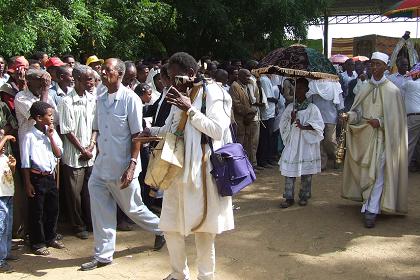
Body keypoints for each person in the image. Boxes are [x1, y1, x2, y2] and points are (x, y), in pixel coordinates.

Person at [146, 51, 234, 280]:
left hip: (203, 172)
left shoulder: (215, 93)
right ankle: (178, 274)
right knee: (170, 226)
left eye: (176, 77)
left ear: (191, 74)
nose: (172, 83)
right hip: (175, 171)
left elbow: (217, 130)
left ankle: (206, 276)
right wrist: (150, 133)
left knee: (204, 229)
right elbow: (171, 129)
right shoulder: (180, 94)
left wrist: (190, 109)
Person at [81, 58, 164, 271]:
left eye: (108, 70)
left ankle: (162, 229)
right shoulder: (100, 97)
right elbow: (97, 129)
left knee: (133, 209)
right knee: (100, 211)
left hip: (122, 167)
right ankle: (103, 255)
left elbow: (137, 135)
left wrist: (132, 166)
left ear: (119, 74)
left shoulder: (130, 100)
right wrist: (92, 147)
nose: (103, 73)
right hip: (101, 166)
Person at [342, 52, 408, 228]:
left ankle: (372, 210)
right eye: (372, 64)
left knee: (378, 174)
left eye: (378, 64)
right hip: (364, 137)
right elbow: (358, 113)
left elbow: (397, 121)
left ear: (386, 67)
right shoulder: (364, 88)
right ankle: (367, 204)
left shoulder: (393, 91)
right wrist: (349, 116)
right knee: (365, 172)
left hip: (382, 139)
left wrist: (380, 122)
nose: (374, 67)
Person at [21, 101, 64, 255]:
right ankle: (37, 242)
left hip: (50, 176)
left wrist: (51, 137)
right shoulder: (29, 136)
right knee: (37, 211)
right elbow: (25, 163)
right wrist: (27, 183)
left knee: (53, 208)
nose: (52, 118)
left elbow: (58, 154)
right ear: (39, 118)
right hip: (36, 178)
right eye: (49, 115)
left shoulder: (51, 132)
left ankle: (50, 236)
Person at [58, 65, 97, 239]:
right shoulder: (66, 101)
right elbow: (67, 130)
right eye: (88, 79)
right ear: (78, 80)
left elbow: (96, 125)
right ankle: (77, 225)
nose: (92, 82)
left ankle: (91, 222)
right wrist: (83, 149)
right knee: (74, 194)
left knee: (91, 192)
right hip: (74, 155)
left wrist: (91, 146)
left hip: (91, 153)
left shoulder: (92, 99)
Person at [279, 78, 324, 208]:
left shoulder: (312, 108)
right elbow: (283, 123)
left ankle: (304, 195)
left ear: (306, 90)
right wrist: (291, 119)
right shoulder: (290, 107)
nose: (297, 91)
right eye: (295, 88)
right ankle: (288, 197)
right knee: (289, 169)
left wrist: (304, 126)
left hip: (306, 142)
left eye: (300, 88)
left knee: (306, 170)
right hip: (293, 140)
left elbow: (319, 126)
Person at [307, 80, 343, 170]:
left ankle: (336, 158)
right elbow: (308, 101)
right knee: (319, 141)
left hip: (331, 117)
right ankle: (322, 163)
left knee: (330, 140)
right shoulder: (313, 84)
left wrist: (340, 114)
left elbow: (340, 102)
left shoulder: (335, 85)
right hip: (316, 117)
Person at [229, 69, 259, 168]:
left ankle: (247, 167)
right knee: (239, 146)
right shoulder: (234, 87)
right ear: (240, 76)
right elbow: (237, 106)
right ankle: (238, 169)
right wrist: (251, 111)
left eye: (249, 76)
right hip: (240, 122)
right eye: (246, 76)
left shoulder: (247, 86)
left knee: (249, 146)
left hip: (247, 122)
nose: (249, 78)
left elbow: (253, 101)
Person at [0, 133, 17, 272]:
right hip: (0, 197)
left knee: (7, 225)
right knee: (0, 227)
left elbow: (9, 174)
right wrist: (6, 138)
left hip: (8, 194)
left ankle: (5, 252)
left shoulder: (4, 157)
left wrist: (13, 166)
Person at [401, 64, 420, 169]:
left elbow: (403, 85)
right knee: (417, 143)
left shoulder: (410, 84)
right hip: (415, 116)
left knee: (409, 142)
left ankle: (403, 169)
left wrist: (407, 75)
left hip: (414, 117)